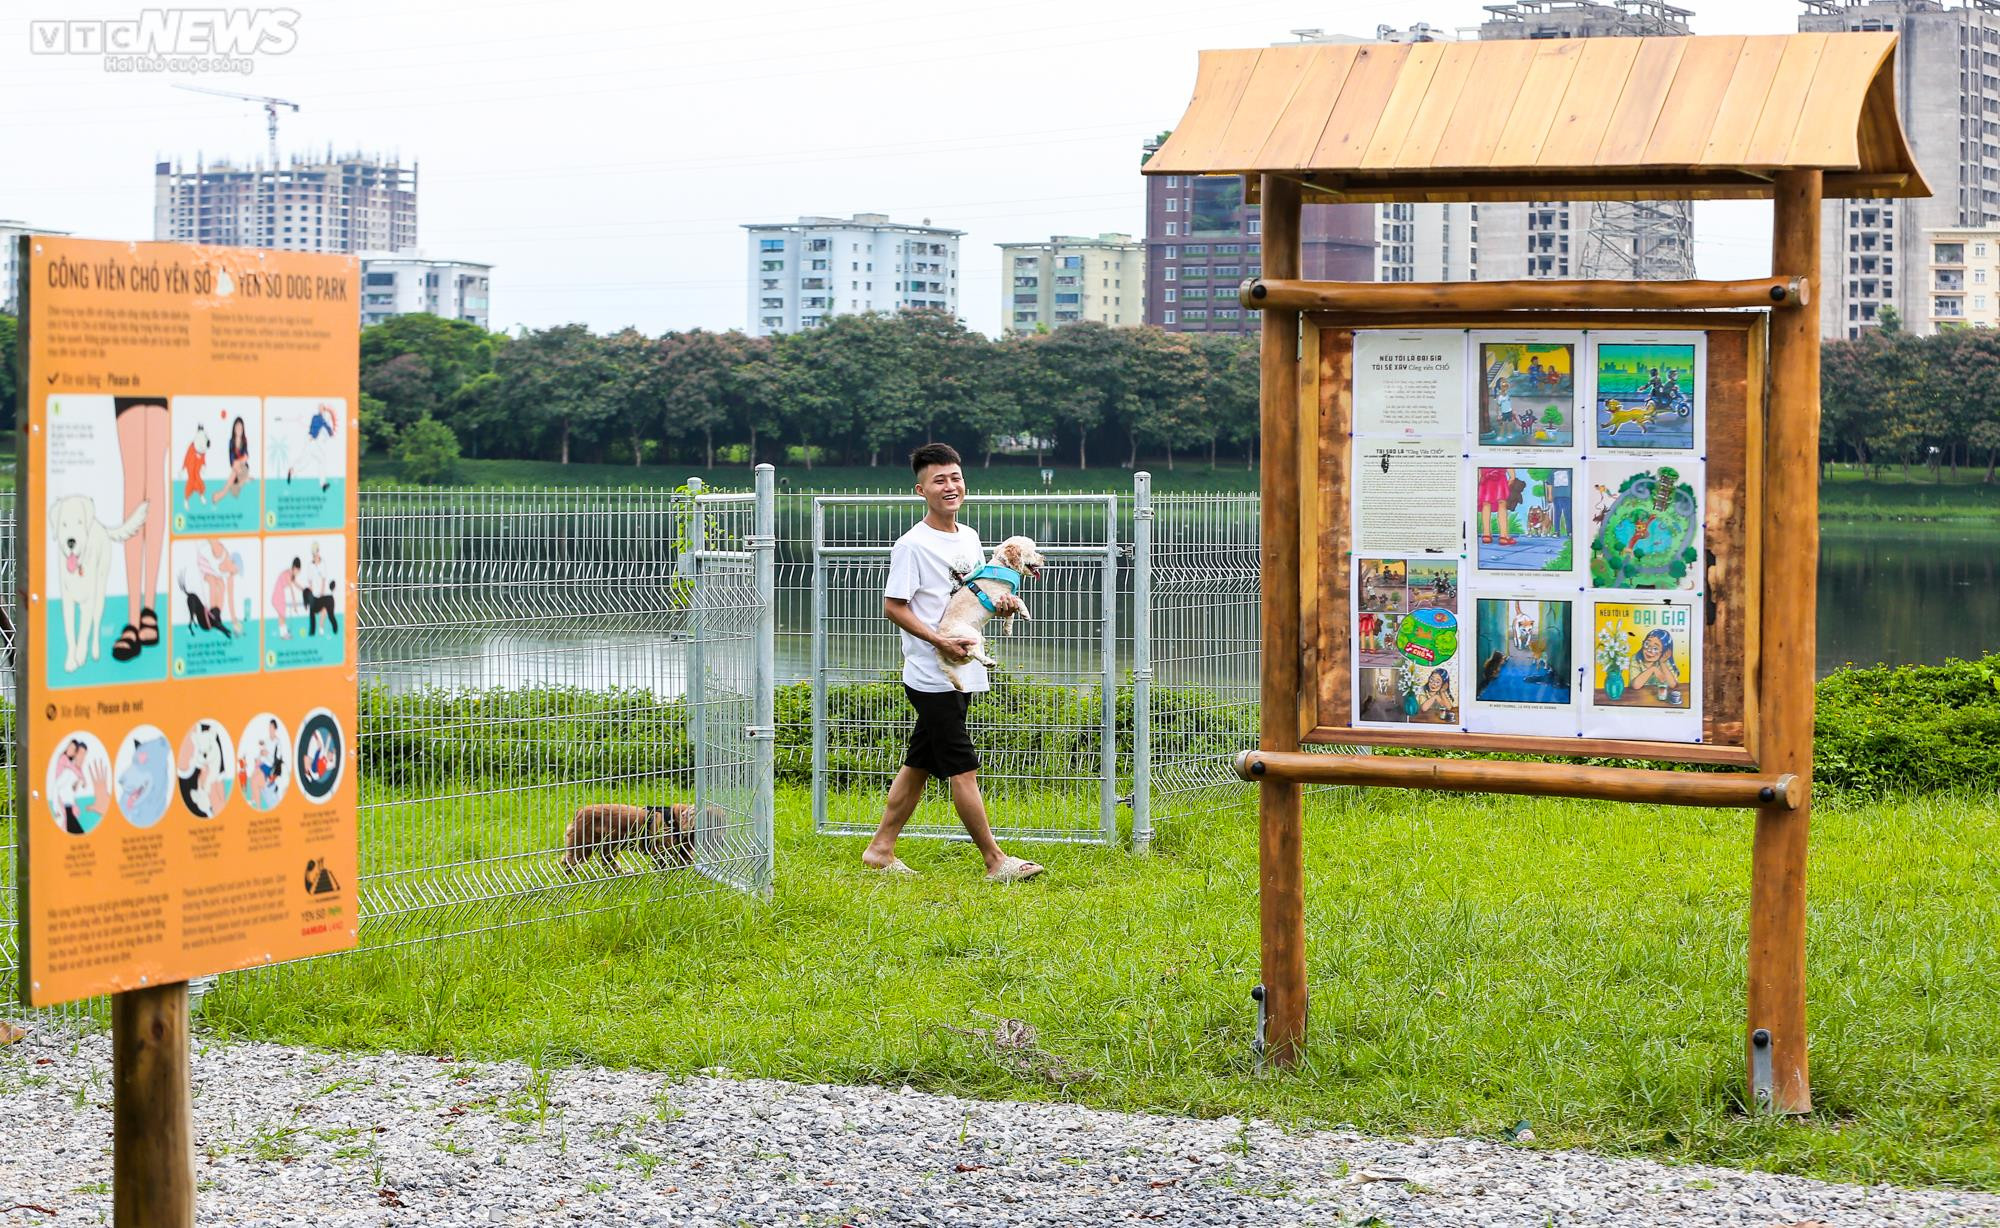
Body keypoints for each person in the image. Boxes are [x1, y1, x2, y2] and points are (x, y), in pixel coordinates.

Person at [860, 443, 1044, 883]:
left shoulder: (969, 537)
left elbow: (977, 593)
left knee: (920, 761)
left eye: (955, 477)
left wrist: (998, 606)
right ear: (920, 488)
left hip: (963, 669)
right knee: (963, 766)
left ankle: (880, 850)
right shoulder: (912, 545)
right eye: (939, 480)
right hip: (930, 675)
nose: (950, 486)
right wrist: (938, 638)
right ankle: (995, 861)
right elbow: (894, 606)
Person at [212, 416, 251, 504]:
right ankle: (239, 483)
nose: (239, 429)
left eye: (240, 428)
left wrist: (240, 461)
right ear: (234, 428)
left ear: (243, 429)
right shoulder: (231, 441)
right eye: (237, 427)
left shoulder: (244, 441)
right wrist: (238, 462)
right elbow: (231, 460)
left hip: (243, 467)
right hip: (236, 468)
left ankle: (220, 495)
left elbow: (246, 456)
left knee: (236, 469)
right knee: (235, 470)